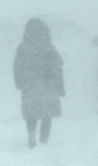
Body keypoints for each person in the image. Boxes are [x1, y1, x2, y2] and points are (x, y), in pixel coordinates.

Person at [13, 18, 65, 148]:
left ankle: (31, 137)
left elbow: (16, 66)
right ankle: (43, 140)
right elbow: (58, 65)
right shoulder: (49, 47)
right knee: (46, 114)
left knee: (31, 114)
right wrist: (60, 86)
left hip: (29, 85)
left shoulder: (23, 47)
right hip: (47, 85)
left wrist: (19, 82)